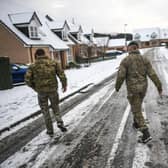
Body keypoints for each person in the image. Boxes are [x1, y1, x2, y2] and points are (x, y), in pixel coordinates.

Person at [115, 41, 162, 143]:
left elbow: (121, 75)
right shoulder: (145, 59)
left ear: (132, 48)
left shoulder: (126, 60)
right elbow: (152, 74)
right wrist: (159, 86)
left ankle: (146, 134)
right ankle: (136, 123)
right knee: (137, 106)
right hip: (143, 88)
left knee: (136, 110)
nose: (127, 50)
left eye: (128, 48)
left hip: (133, 89)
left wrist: (117, 86)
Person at [25, 49, 67, 137]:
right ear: (44, 54)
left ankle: (50, 130)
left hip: (41, 92)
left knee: (45, 110)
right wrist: (64, 85)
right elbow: (61, 74)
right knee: (55, 107)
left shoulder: (32, 66)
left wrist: (35, 87)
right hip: (53, 90)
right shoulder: (53, 63)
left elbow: (27, 80)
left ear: (36, 55)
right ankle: (59, 122)